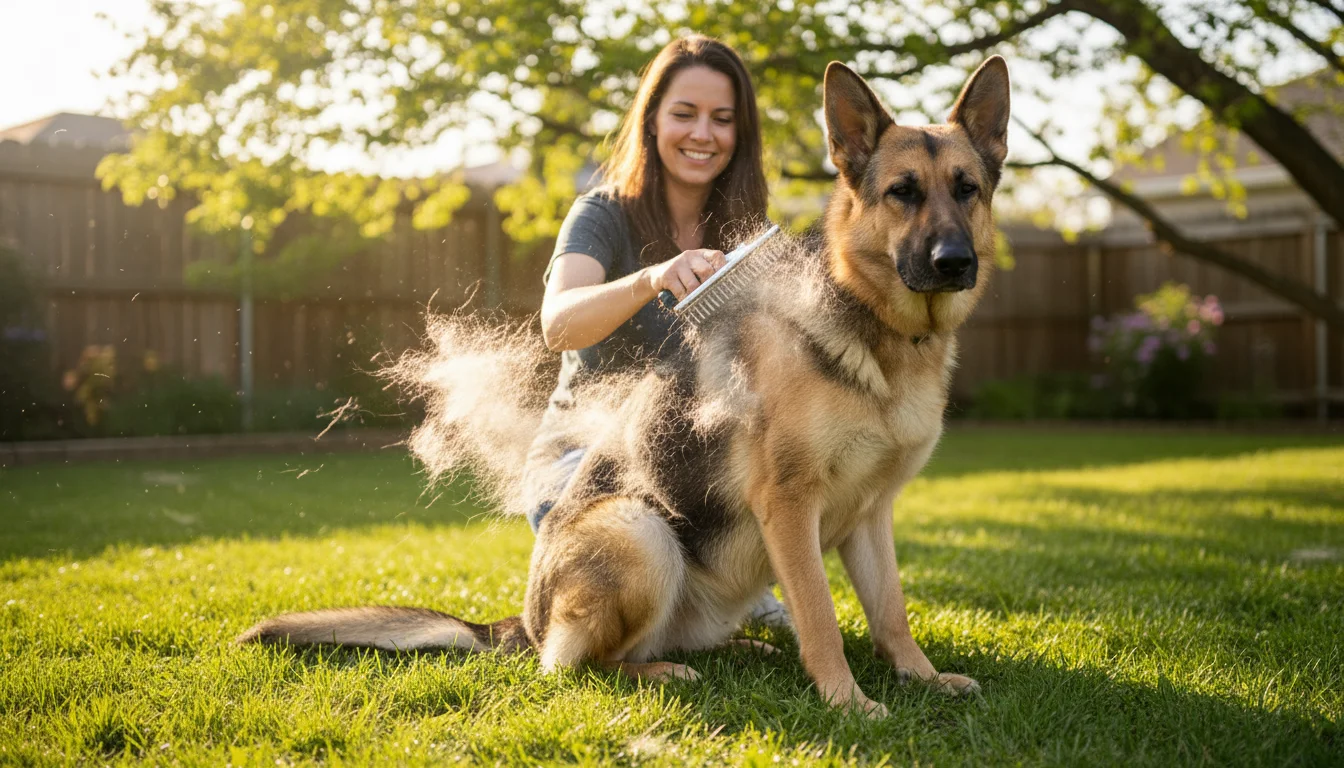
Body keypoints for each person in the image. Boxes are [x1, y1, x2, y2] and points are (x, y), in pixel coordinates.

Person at [521, 35, 789, 627]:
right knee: (642, 591)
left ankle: (698, 618)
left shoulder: (747, 233)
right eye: (684, 114)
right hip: (583, 470)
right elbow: (558, 323)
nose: (703, 134)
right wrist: (650, 279)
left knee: (739, 618)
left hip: (690, 477)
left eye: (722, 119)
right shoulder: (602, 214)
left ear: (740, 135)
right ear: (652, 120)